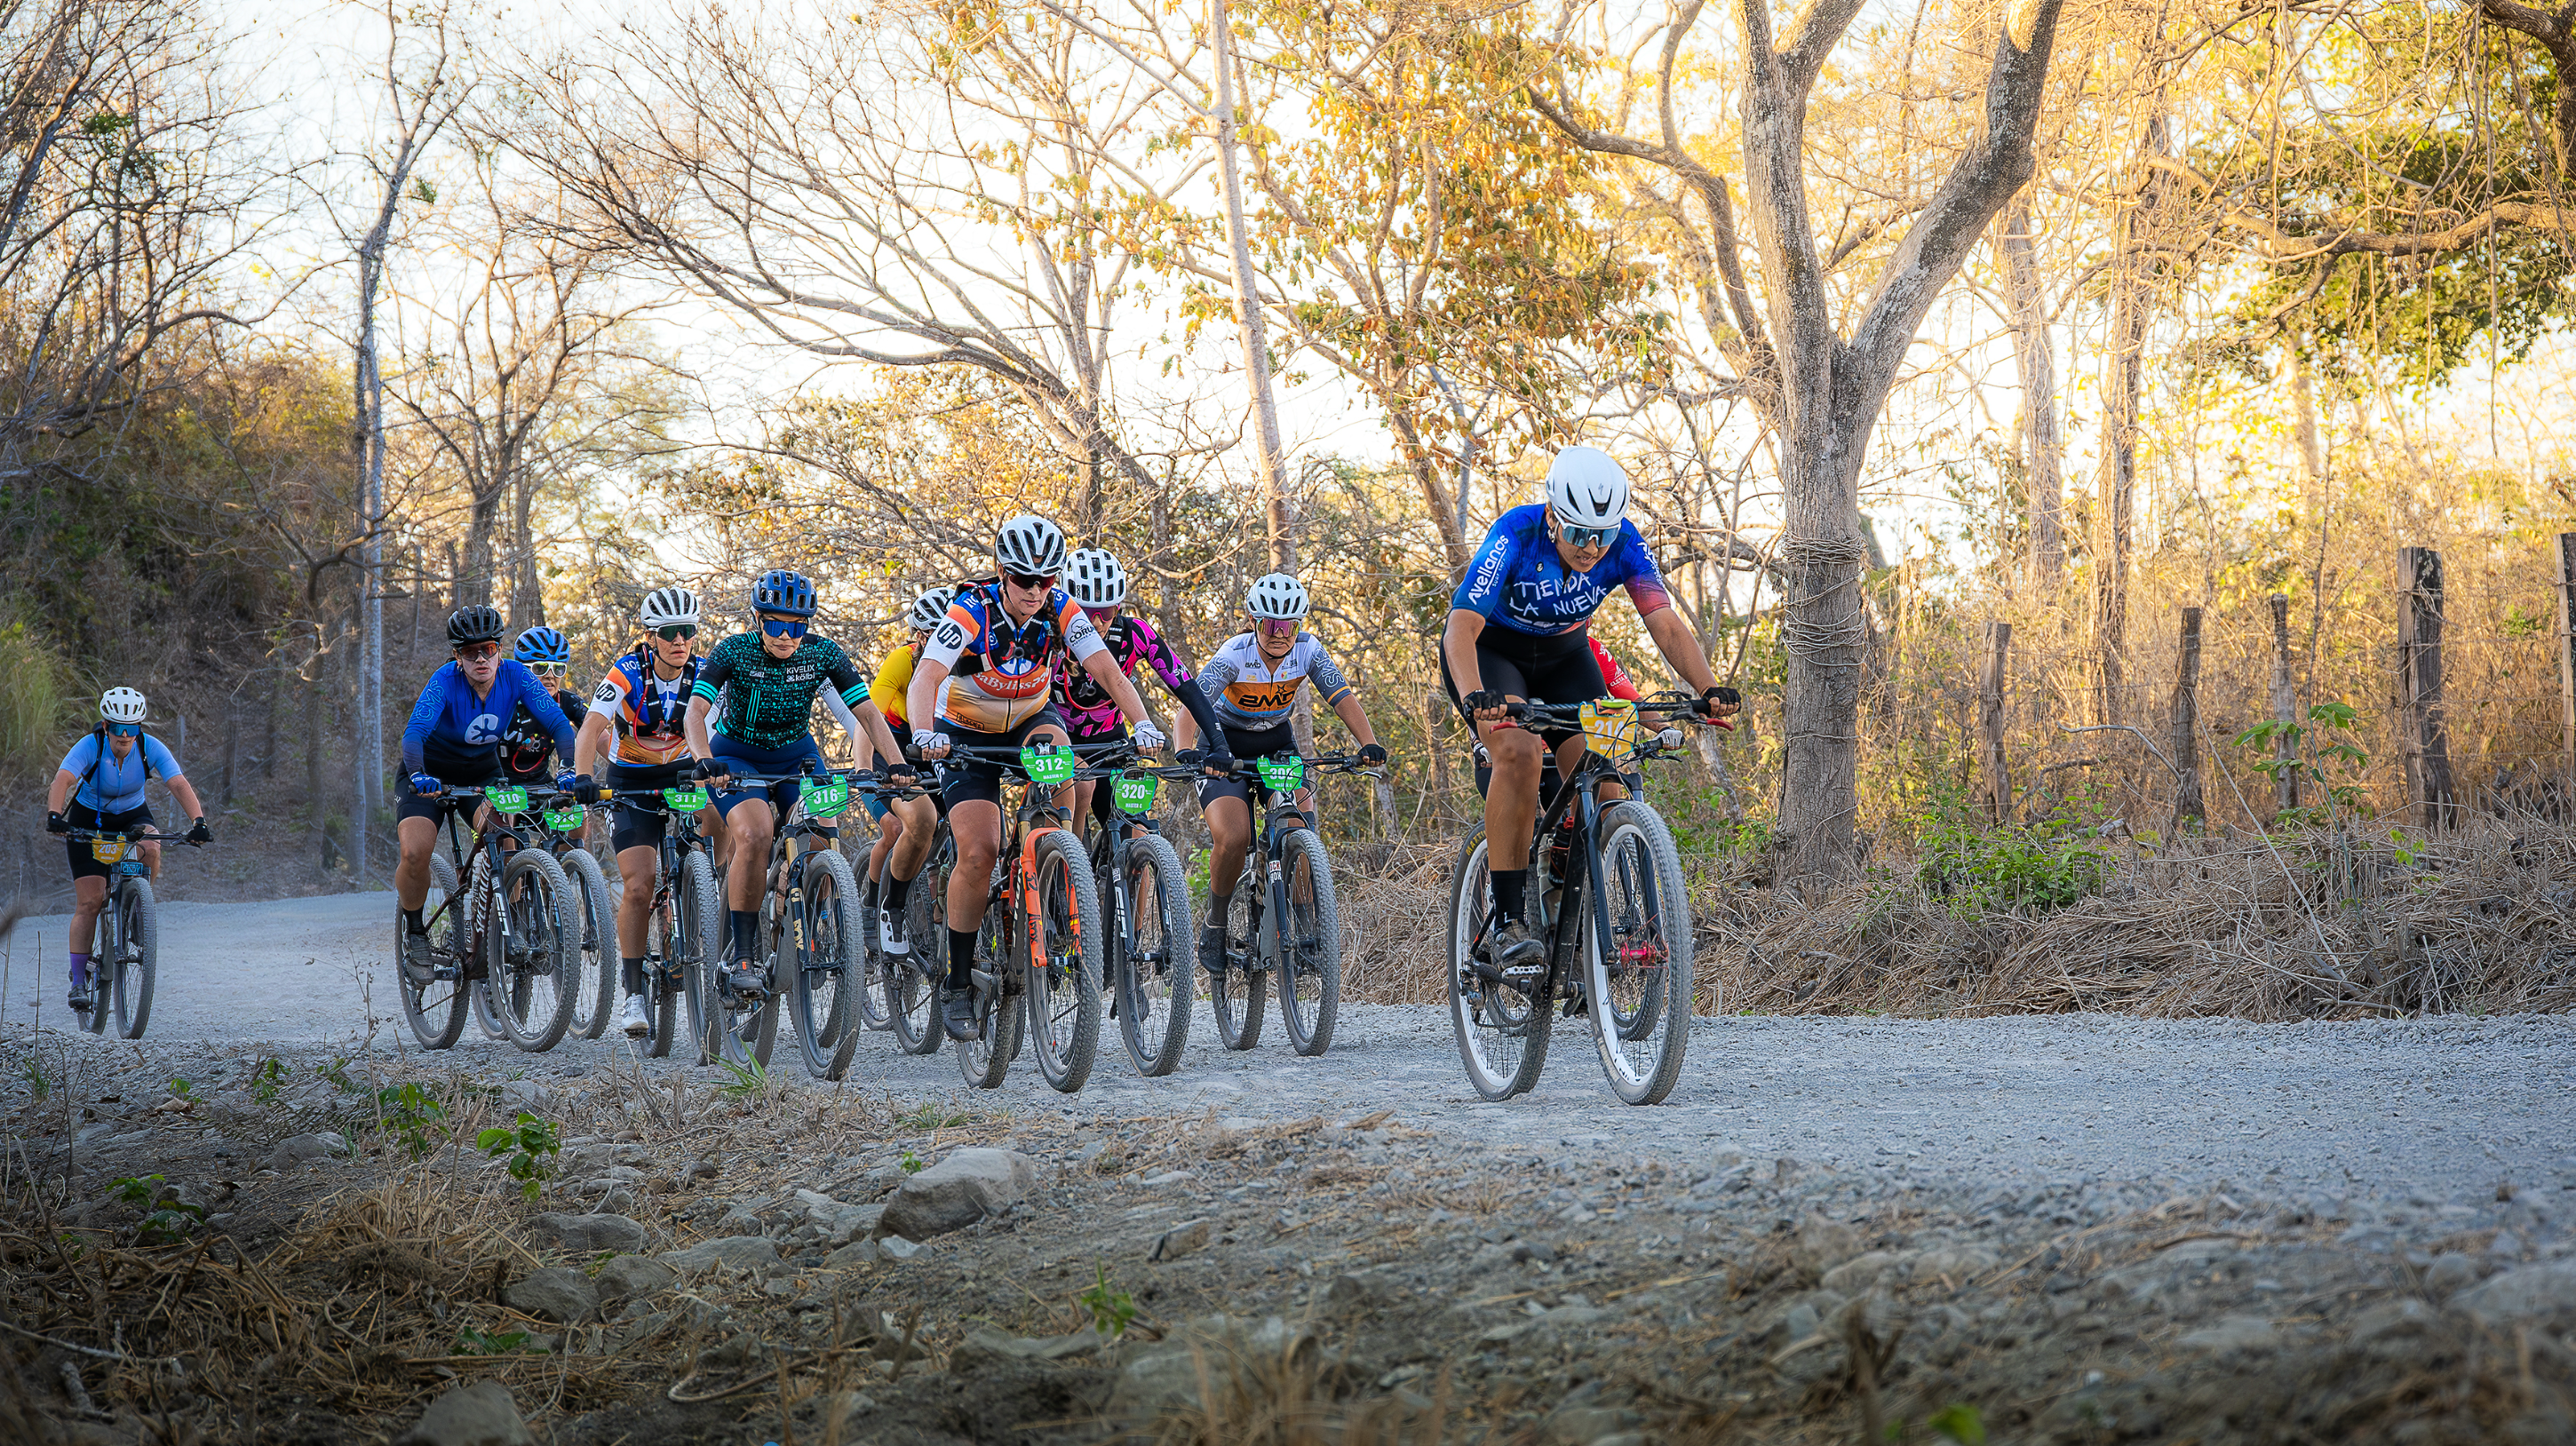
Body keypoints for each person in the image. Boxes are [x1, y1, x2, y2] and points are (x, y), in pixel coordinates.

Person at [1440, 445, 1737, 971]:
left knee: (1605, 778)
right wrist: (1473, 696)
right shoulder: (1516, 533)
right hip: (1495, 656)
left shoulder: (1624, 544)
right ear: (1553, 516)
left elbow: (1664, 623)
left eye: (1602, 535)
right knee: (1521, 752)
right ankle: (1509, 920)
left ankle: (1570, 897)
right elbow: (1461, 627)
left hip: (1565, 657)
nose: (1591, 548)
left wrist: (1709, 687)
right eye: (1578, 533)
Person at [909, 514, 1165, 1042]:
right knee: (979, 852)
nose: (1036, 590)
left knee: (1064, 775)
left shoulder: (1061, 610)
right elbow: (927, 675)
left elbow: (1109, 672)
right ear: (1003, 573)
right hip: (967, 734)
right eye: (1025, 580)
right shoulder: (971, 611)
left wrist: (1142, 721)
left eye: (1047, 579)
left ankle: (1054, 870)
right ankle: (958, 982)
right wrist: (922, 731)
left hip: (1032, 719)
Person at [684, 569, 930, 1002]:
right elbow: (695, 712)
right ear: (757, 619)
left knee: (821, 832)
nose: (785, 635)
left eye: (796, 626)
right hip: (736, 755)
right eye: (775, 624)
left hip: (797, 754)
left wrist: (895, 765)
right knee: (756, 834)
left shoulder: (822, 654)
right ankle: (743, 955)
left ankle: (807, 921)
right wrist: (705, 760)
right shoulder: (734, 651)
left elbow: (867, 715)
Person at [1170, 572, 1387, 977]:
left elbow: (1341, 696)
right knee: (1234, 837)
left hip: (1276, 745)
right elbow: (1191, 705)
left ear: (1298, 626)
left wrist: (1368, 743)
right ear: (1255, 621)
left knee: (1297, 823)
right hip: (1224, 749)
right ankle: (1216, 923)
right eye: (1270, 624)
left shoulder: (1307, 651)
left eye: (1288, 625)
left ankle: (1305, 927)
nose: (1279, 634)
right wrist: (1185, 749)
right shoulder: (1234, 655)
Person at [396, 606, 586, 984]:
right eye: (470, 653)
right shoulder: (443, 682)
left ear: (500, 649)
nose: (481, 659)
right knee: (415, 851)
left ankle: (504, 930)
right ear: (457, 657)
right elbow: (414, 734)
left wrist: (567, 767)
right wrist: (418, 774)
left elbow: (559, 725)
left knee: (506, 837)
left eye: (488, 649)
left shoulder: (517, 675)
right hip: (429, 773)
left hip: (483, 772)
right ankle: (416, 932)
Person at [575, 586, 727, 1036]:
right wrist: (585, 778)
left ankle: (711, 882)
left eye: (688, 631)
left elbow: (716, 733)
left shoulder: (704, 672)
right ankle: (634, 993)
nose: (680, 641)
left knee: (724, 814)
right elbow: (590, 730)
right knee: (639, 886)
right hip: (632, 780)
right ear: (650, 636)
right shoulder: (626, 673)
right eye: (670, 633)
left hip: (683, 773)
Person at [44, 688, 210, 1012]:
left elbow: (178, 783)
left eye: (131, 729)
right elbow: (63, 779)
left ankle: (137, 908)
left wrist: (199, 822)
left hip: (132, 815)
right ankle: (78, 981)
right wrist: (54, 814)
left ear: (139, 730)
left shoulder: (149, 748)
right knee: (90, 902)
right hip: (87, 817)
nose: (124, 736)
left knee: (151, 843)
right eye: (117, 728)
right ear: (105, 727)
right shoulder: (90, 746)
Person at [1052, 547, 1229, 839]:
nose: (1096, 622)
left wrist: (1219, 743)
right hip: (1060, 735)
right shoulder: (1050, 634)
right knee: (1078, 794)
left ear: (1119, 606)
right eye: (1085, 612)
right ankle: (1069, 869)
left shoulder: (1135, 633)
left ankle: (1134, 877)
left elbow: (1187, 688)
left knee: (1139, 833)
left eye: (1106, 611)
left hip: (1110, 739)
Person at [861, 584, 954, 956]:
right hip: (893, 753)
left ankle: (941, 896)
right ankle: (876, 907)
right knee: (903, 824)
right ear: (918, 637)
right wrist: (862, 766)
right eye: (934, 636)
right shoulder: (902, 661)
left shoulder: (967, 664)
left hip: (937, 754)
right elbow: (866, 717)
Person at [501, 626, 593, 845]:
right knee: (507, 839)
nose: (550, 676)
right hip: (499, 782)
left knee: (576, 812)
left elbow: (598, 736)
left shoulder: (568, 702)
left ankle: (559, 875)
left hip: (540, 783)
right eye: (541, 668)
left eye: (558, 669)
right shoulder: (502, 700)